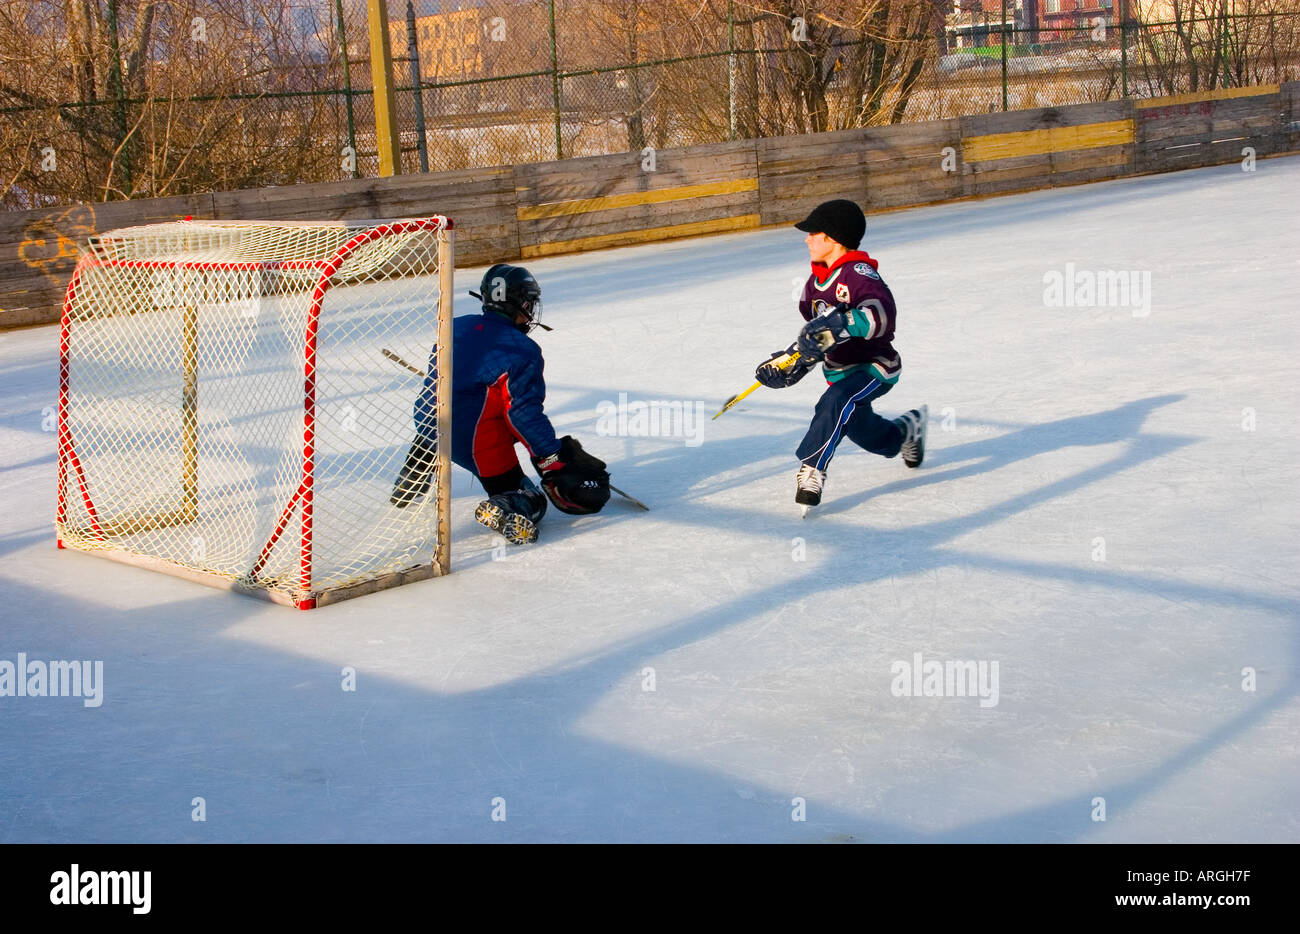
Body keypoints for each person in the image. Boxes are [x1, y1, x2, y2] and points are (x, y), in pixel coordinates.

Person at [391, 264, 610, 544]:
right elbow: (522, 414)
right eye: (529, 301)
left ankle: (412, 476)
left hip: (426, 419)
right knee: (531, 498)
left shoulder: (455, 326)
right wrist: (551, 456)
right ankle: (504, 504)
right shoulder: (522, 349)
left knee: (442, 412)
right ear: (520, 303)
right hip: (471, 438)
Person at [754, 199, 927, 514]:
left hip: (875, 367)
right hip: (840, 371)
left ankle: (812, 470)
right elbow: (816, 336)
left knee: (835, 402)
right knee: (867, 433)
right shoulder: (813, 284)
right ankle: (905, 433)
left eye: (813, 232)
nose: (807, 239)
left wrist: (846, 322)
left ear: (832, 238)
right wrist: (793, 360)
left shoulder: (859, 274)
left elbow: (882, 315)